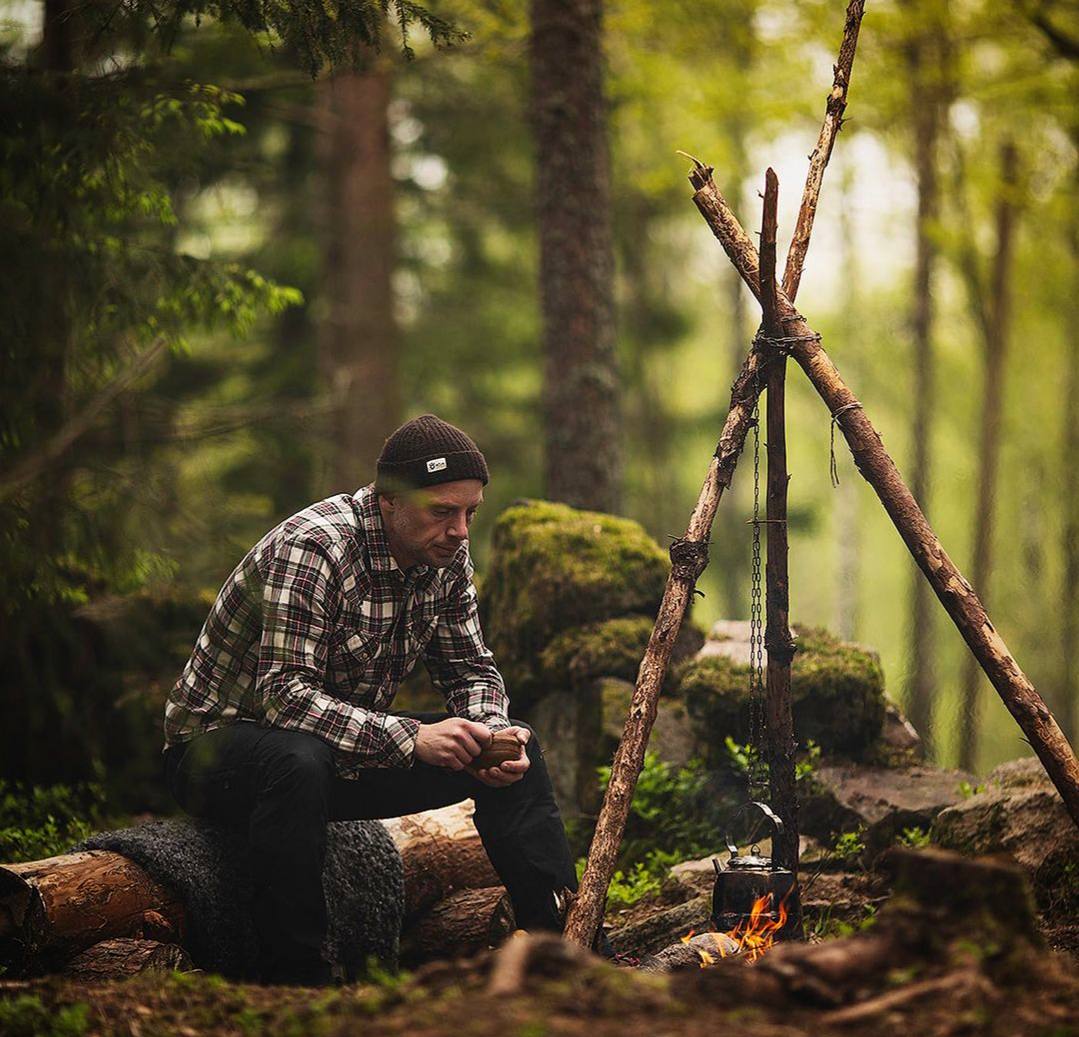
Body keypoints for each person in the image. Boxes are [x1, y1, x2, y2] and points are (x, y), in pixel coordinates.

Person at [161, 414, 578, 985]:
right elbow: (284, 697)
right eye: (442, 512)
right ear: (388, 502)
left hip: (339, 755)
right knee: (295, 759)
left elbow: (471, 669)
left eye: (469, 513)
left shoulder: (444, 559)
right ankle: (300, 979)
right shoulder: (315, 548)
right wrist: (412, 738)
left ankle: (567, 952)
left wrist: (490, 731)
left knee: (513, 759)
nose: (460, 530)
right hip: (217, 757)